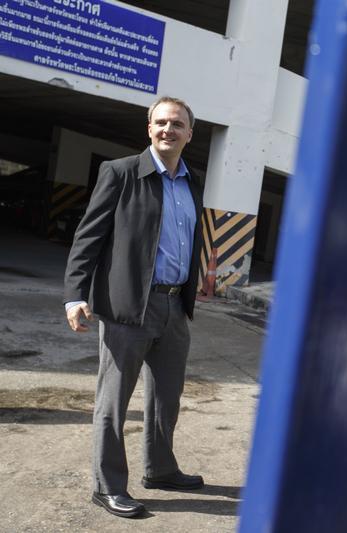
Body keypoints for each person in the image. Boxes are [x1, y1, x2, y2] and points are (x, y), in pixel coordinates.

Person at [63, 96, 204, 518]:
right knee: (113, 401)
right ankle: (106, 486)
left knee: (167, 397)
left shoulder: (192, 181)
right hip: (128, 308)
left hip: (175, 307)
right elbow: (88, 237)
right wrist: (76, 294)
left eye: (177, 124)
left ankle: (160, 469)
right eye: (160, 122)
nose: (168, 129)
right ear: (148, 128)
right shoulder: (122, 172)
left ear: (189, 134)